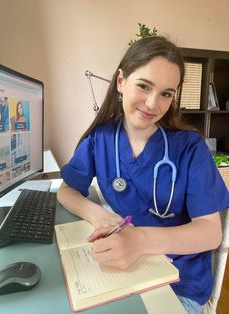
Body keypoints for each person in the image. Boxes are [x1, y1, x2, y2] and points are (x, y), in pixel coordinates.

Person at [57, 36, 229, 314]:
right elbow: (67, 190)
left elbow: (210, 233)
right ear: (121, 81)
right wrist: (100, 216)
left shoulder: (190, 147)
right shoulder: (100, 139)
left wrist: (140, 241)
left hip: (178, 282)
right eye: (144, 86)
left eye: (166, 93)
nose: (152, 103)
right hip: (125, 270)